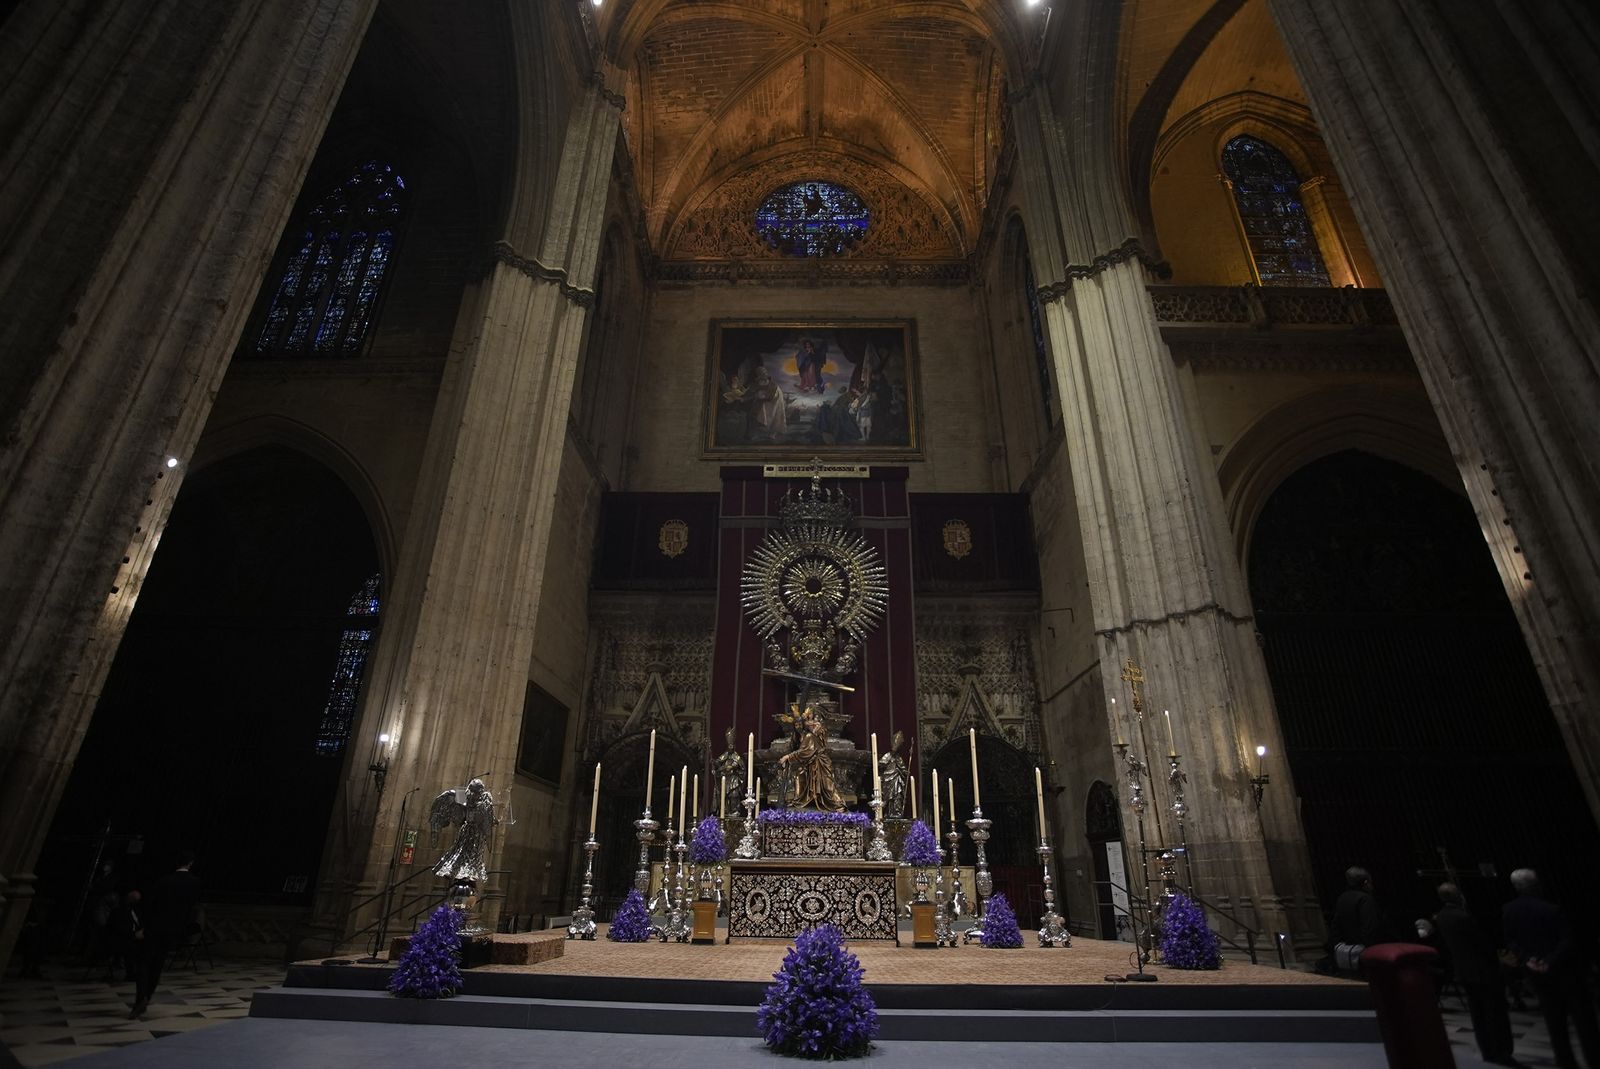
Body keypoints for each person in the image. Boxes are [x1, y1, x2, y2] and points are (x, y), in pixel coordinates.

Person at [1502, 868, 1600, 1069]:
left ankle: (1566, 1063)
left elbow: (1510, 941)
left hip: (1536, 974)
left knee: (1555, 1024)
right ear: (1537, 884)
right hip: (1565, 972)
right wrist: (1549, 961)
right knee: (1585, 1024)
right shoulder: (1551, 909)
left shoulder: (1508, 910)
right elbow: (1567, 940)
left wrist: (1528, 959)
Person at [1429, 883, 1520, 1067]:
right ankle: (1501, 1051)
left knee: (1478, 1014)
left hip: (1463, 971)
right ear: (1458, 896)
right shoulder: (1463, 917)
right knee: (1494, 1013)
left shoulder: (1442, 917)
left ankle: (1487, 1049)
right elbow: (1482, 944)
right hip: (1482, 970)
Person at [131, 850, 200, 1018]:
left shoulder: (165, 881)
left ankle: (142, 996)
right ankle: (147, 995)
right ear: (190, 864)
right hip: (173, 930)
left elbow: (152, 906)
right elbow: (192, 909)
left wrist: (144, 928)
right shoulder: (194, 883)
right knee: (157, 964)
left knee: (143, 963)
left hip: (156, 927)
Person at [1330, 866, 1381, 973]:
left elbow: (1335, 925)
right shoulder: (1365, 898)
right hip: (1363, 951)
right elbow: (1369, 928)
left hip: (1347, 951)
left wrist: (1338, 945)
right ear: (1366, 882)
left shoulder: (1342, 898)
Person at [107, 890, 145, 984]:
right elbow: (117, 929)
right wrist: (134, 934)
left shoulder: (136, 910)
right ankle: (131, 973)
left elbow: (140, 923)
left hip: (135, 936)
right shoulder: (118, 911)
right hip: (122, 939)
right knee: (130, 946)